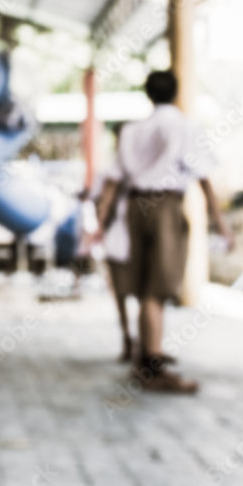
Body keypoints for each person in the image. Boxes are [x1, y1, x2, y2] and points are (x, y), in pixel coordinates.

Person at [97, 71, 233, 394]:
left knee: (144, 284)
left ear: (148, 94)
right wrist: (221, 224)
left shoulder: (132, 130)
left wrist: (101, 225)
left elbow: (113, 181)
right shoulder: (183, 126)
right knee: (157, 288)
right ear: (175, 92)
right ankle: (152, 366)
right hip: (165, 207)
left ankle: (145, 356)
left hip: (134, 208)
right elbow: (204, 179)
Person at [95, 126, 137, 363]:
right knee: (120, 291)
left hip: (138, 233)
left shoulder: (144, 167)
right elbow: (100, 200)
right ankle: (127, 338)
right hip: (119, 236)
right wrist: (100, 227)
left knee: (144, 292)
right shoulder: (109, 171)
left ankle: (143, 341)